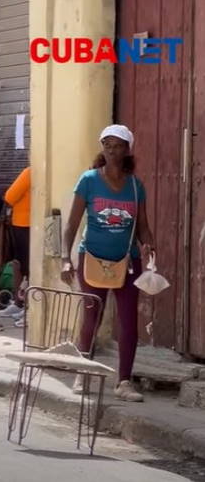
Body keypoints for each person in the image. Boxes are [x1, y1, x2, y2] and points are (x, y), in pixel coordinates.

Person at [61, 125, 153, 402]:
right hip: (91, 258)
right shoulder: (89, 181)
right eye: (107, 145)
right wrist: (65, 258)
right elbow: (72, 225)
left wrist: (149, 242)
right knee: (92, 317)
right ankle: (82, 371)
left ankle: (124, 381)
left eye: (118, 145)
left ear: (128, 150)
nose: (112, 150)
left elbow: (143, 227)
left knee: (129, 323)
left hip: (127, 262)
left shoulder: (136, 186)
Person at [0, 166, 31, 321]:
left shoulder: (29, 172)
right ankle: (21, 303)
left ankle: (21, 304)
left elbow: (10, 196)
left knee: (22, 266)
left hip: (23, 224)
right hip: (31, 224)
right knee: (24, 266)